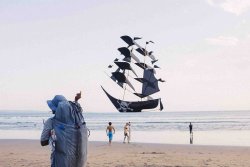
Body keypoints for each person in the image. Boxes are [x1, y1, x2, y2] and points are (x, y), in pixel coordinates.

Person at [40, 92, 88, 167]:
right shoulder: (78, 121)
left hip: (61, 162)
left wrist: (52, 136)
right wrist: (76, 100)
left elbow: (43, 142)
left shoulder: (51, 122)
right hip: (79, 162)